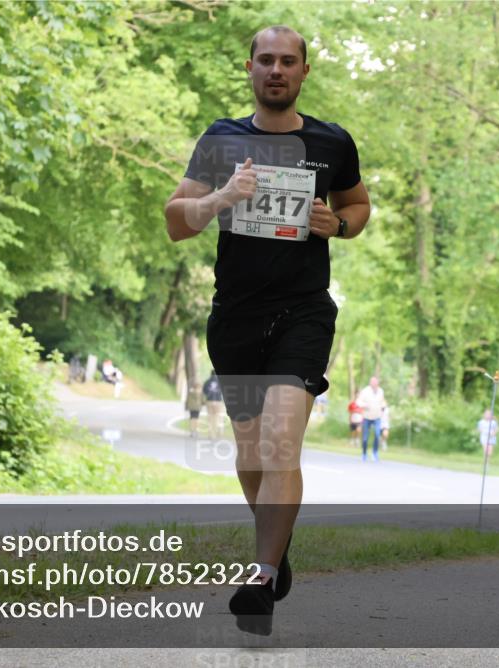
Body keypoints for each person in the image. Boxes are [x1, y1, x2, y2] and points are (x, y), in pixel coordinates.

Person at [164, 24, 370, 635]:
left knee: (281, 440)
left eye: (288, 61)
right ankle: (275, 555)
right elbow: (178, 221)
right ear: (249, 69)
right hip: (237, 316)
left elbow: (358, 207)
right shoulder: (221, 140)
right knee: (252, 455)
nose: (276, 70)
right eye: (266, 61)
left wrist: (340, 225)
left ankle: (258, 575)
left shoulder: (332, 142)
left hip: (303, 311)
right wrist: (222, 197)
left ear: (304, 72)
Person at [356, 376, 386, 462]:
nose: (373, 383)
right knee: (365, 437)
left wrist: (383, 406)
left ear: (377, 383)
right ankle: (364, 453)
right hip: (367, 417)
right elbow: (358, 401)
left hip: (377, 417)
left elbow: (382, 401)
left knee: (377, 434)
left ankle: (374, 453)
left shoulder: (381, 391)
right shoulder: (365, 391)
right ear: (370, 383)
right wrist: (364, 405)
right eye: (372, 382)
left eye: (375, 382)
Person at [203, 372, 226, 439]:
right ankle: (218, 433)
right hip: (218, 402)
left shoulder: (207, 382)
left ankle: (211, 434)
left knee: (210, 418)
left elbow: (204, 391)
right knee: (218, 417)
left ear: (211, 374)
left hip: (209, 401)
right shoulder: (220, 381)